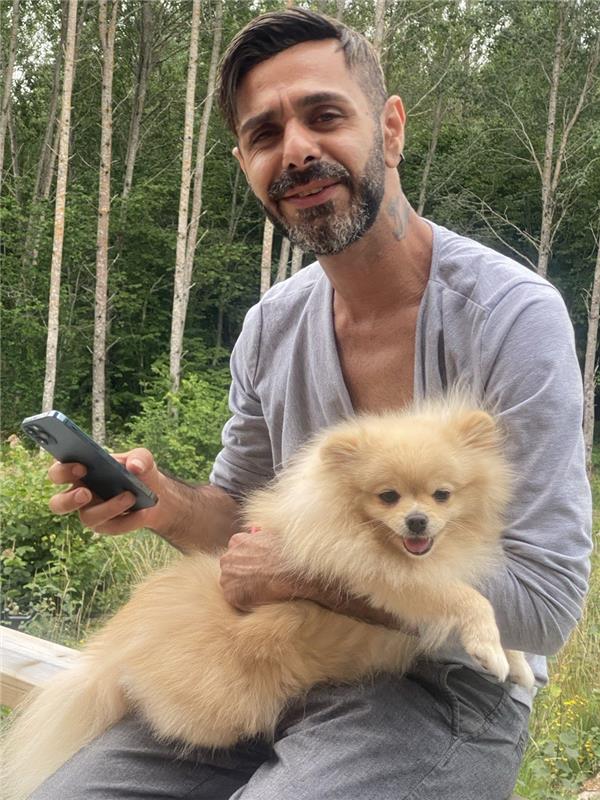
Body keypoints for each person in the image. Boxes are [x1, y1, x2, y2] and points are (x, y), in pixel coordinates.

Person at [38, 9, 591, 800]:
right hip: (273, 658)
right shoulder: (271, 326)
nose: (296, 150)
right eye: (265, 134)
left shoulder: (511, 317)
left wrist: (308, 576)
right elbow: (243, 533)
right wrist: (159, 502)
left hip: (443, 685)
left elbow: (547, 606)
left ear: (390, 129)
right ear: (246, 164)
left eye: (325, 116)